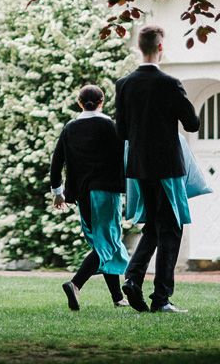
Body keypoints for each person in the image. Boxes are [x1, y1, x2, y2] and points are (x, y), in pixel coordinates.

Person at [115, 25, 200, 313]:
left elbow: (122, 131)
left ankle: (133, 278)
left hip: (138, 167)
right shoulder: (170, 83)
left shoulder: (123, 84)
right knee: (172, 229)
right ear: (161, 47)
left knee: (153, 225)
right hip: (167, 167)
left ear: (140, 47)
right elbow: (192, 124)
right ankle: (161, 298)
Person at [49, 84, 129, 311]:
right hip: (106, 192)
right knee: (109, 241)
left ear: (79, 102)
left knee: (101, 241)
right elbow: (124, 157)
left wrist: (58, 193)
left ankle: (117, 298)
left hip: (82, 194)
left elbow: (56, 164)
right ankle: (75, 284)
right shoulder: (110, 126)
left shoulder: (69, 128)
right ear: (102, 102)